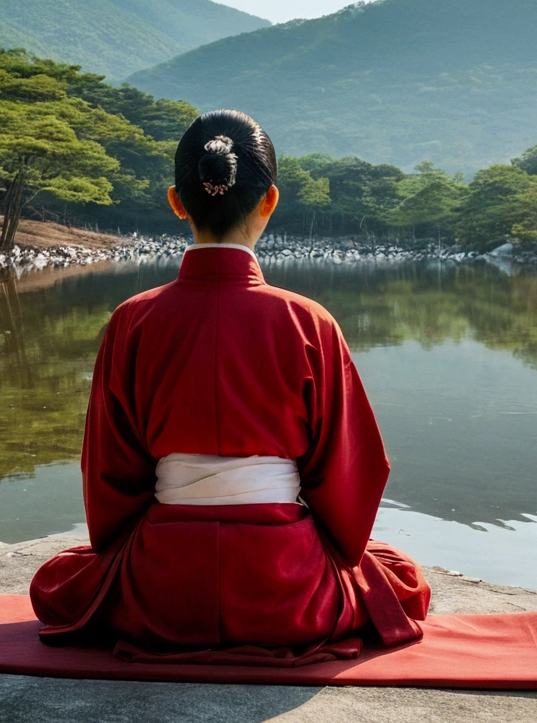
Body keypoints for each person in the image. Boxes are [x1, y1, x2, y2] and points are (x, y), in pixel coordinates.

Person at [30, 110, 430, 665]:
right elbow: (349, 468)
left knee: (61, 579)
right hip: (288, 591)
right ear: (269, 201)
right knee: (399, 578)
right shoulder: (310, 321)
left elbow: (109, 470)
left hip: (161, 590)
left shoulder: (132, 319)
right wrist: (329, 551)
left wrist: (130, 550)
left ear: (177, 201)